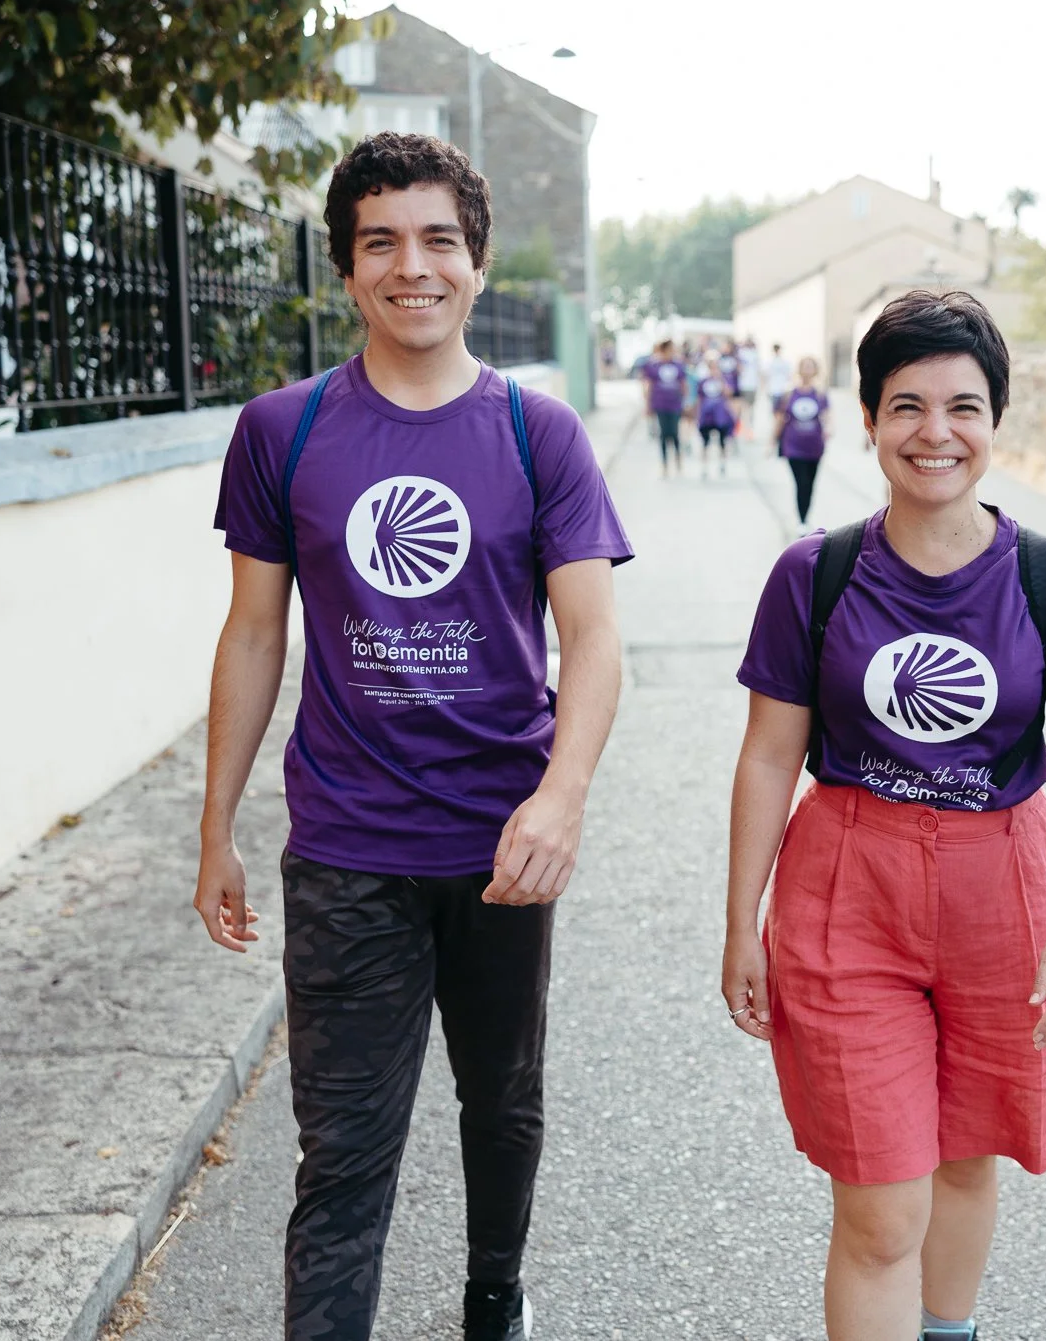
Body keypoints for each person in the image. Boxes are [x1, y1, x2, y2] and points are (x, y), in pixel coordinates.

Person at [199, 131, 633, 1341]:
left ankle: (495, 1294)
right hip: (346, 849)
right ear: (347, 271)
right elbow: (250, 637)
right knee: (342, 1154)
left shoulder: (534, 436)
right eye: (380, 241)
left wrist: (561, 797)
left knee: (500, 1106)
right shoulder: (281, 431)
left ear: (477, 265)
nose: (412, 266)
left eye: (438, 239)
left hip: (501, 847)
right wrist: (216, 826)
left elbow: (592, 640)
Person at [723, 290, 1046, 1341]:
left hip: (1002, 890)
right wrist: (740, 922)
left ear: (994, 422)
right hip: (844, 892)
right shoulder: (813, 575)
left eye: (962, 406)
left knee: (962, 1161)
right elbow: (770, 754)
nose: (934, 432)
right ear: (865, 420)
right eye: (905, 406)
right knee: (879, 1205)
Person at [775, 357, 829, 524]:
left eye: (810, 366)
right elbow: (779, 418)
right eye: (804, 366)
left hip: (814, 446)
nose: (807, 369)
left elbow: (827, 416)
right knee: (801, 482)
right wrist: (773, 440)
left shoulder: (820, 394)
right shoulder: (789, 393)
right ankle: (802, 520)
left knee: (810, 483)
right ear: (799, 369)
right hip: (793, 445)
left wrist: (828, 430)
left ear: (815, 370)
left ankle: (805, 517)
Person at [641, 338, 688, 478]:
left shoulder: (678, 365)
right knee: (663, 434)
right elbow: (648, 385)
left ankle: (678, 459)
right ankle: (664, 464)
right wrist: (648, 405)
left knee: (674, 433)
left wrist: (686, 402)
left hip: (675, 404)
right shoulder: (654, 366)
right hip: (660, 404)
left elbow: (683, 384)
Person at [693, 349, 739, 476]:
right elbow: (698, 399)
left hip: (720, 415)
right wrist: (697, 415)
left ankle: (722, 464)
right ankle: (704, 467)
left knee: (722, 442)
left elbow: (729, 394)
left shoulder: (723, 380)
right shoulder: (703, 381)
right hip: (707, 415)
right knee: (705, 442)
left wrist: (720, 379)